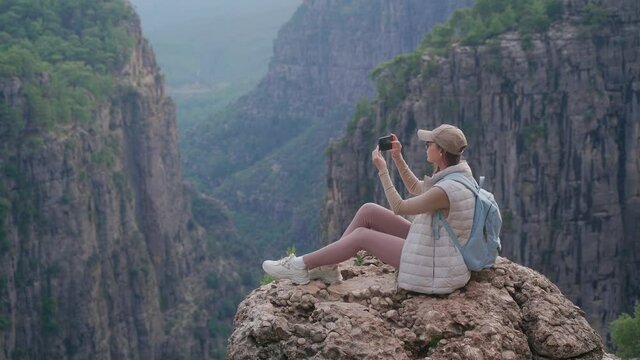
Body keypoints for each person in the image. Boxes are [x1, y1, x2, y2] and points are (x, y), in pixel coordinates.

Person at [262, 124, 476, 294]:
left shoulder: (446, 190)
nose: (425, 146)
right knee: (369, 211)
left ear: (441, 151)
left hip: (434, 265)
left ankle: (299, 265)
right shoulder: (456, 176)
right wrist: (397, 158)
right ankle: (328, 266)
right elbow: (416, 188)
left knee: (362, 237)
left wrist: (383, 171)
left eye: (429, 143)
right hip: (436, 246)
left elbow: (399, 207)